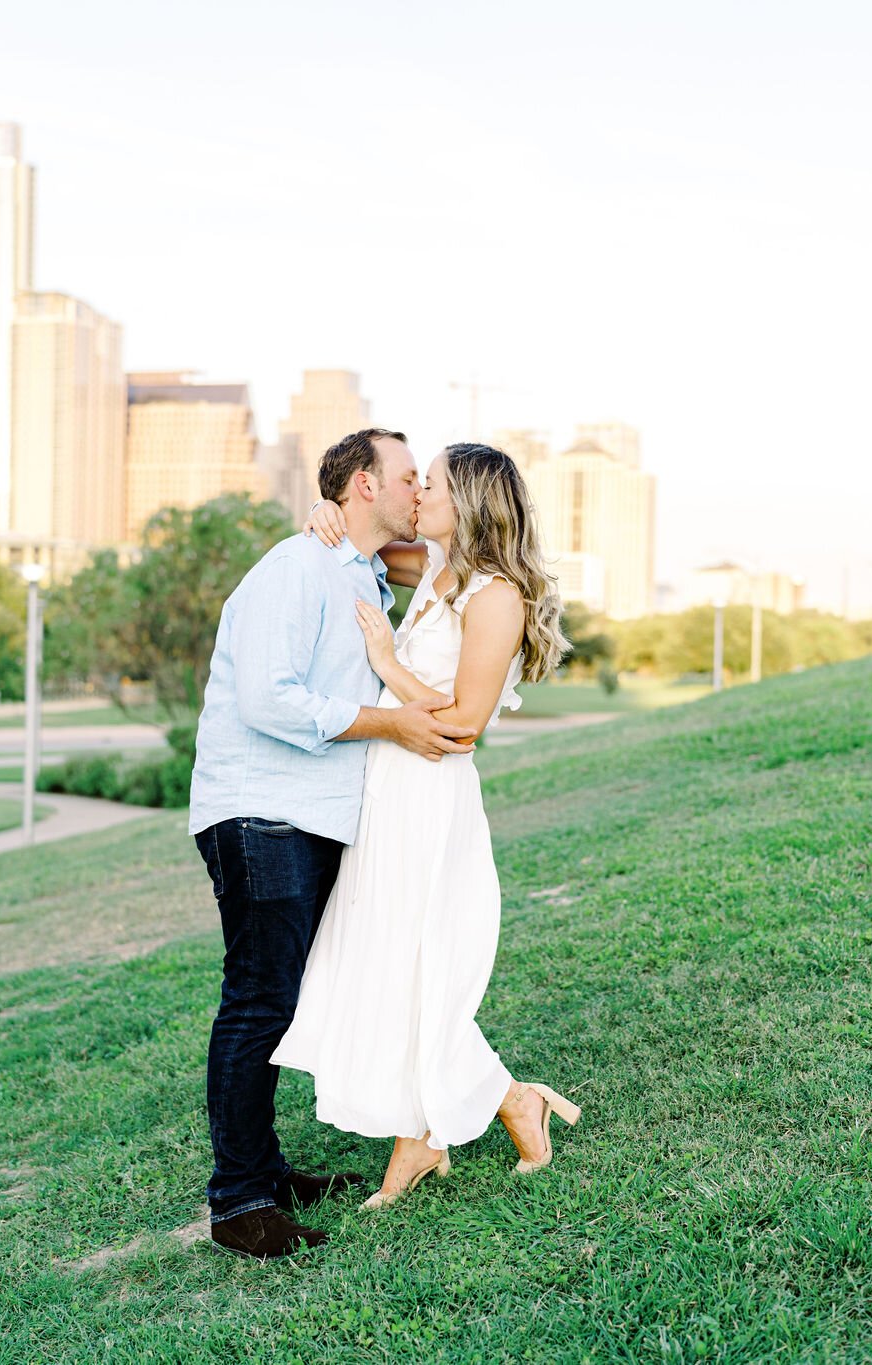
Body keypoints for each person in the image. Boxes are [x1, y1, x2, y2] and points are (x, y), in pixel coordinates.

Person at [189, 428, 479, 1260]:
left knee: (281, 998)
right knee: (258, 1000)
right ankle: (240, 1201)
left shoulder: (358, 569)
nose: (417, 489)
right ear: (362, 485)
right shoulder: (298, 566)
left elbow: (463, 563)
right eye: (406, 477)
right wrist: (391, 721)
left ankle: (268, 1171)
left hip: (311, 817)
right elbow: (268, 699)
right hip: (260, 813)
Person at [271, 442, 580, 1209]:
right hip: (388, 788)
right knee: (383, 963)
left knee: (415, 965)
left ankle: (499, 1104)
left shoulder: (497, 594)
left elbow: (464, 722)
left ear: (468, 500)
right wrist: (326, 514)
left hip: (431, 795)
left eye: (432, 483)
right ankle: (436, 1128)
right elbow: (360, 539)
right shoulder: (438, 572)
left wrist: (386, 660)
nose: (420, 494)